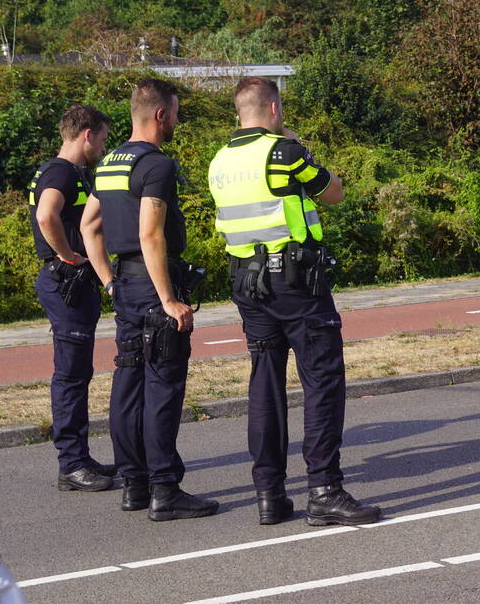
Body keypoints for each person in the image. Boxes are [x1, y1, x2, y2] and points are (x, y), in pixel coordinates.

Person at [207, 77, 381, 526]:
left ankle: (269, 493)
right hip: (296, 284)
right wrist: (293, 142)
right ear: (273, 109)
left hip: (247, 282)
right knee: (322, 380)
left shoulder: (220, 161)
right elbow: (333, 192)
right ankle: (324, 490)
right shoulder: (284, 152)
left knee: (264, 383)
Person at [81, 78, 218, 521]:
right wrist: (169, 301)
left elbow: (89, 227)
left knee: (129, 383)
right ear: (161, 115)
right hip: (153, 283)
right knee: (163, 385)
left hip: (125, 287)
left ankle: (134, 484)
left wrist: (109, 283)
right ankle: (165, 490)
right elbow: (150, 231)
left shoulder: (112, 162)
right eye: (175, 113)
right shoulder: (157, 164)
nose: (177, 120)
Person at [29, 104, 117, 491]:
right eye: (101, 137)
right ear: (86, 134)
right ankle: (71, 464)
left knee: (78, 373)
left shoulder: (68, 171)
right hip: (64, 281)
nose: (102, 144)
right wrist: (66, 254)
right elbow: (47, 216)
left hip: (71, 282)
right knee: (70, 375)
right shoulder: (61, 172)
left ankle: (79, 457)